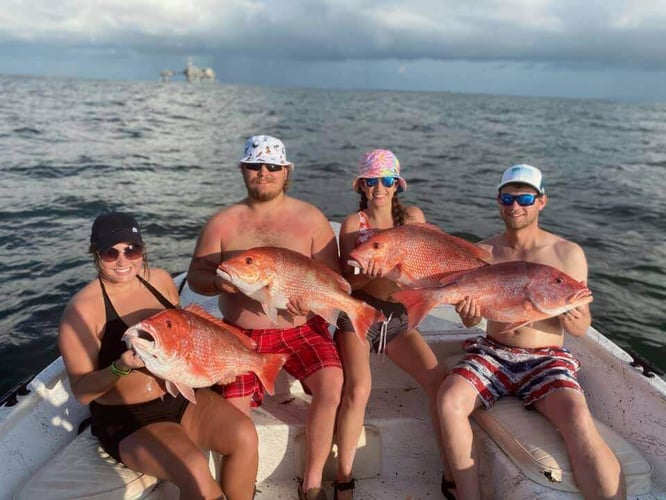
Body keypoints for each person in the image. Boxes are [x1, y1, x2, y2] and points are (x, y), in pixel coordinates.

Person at [438, 164, 626, 499]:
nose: (515, 205)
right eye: (507, 197)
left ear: (542, 202)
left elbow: (582, 326)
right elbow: (471, 320)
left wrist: (574, 321)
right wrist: (467, 314)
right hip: (493, 350)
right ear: (498, 201)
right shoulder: (483, 252)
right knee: (450, 400)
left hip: (546, 358)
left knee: (577, 415)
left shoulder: (567, 254)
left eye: (525, 197)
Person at [58, 211, 258, 500]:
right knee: (194, 467)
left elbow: (187, 337)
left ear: (143, 249)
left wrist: (216, 366)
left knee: (244, 435)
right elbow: (82, 392)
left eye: (132, 249)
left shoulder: (162, 280)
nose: (123, 260)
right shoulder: (82, 311)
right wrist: (120, 367)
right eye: (110, 253)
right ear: (96, 254)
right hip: (131, 419)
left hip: (180, 396)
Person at [187, 135, 344, 500]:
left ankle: (313, 483)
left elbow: (331, 277)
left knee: (332, 383)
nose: (264, 172)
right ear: (243, 170)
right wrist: (218, 284)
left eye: (273, 166)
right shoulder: (223, 222)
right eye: (255, 165)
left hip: (301, 329)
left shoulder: (311, 218)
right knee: (232, 413)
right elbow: (195, 277)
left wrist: (312, 301)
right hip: (241, 335)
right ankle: (244, 489)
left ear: (286, 172)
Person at [334, 149, 446, 500]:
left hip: (399, 318)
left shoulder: (412, 218)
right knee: (358, 391)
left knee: (439, 382)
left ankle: (452, 468)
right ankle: (343, 478)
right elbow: (345, 287)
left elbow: (427, 268)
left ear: (397, 185)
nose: (378, 188)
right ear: (362, 186)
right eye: (371, 181)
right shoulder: (354, 225)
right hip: (358, 315)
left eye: (386, 180)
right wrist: (369, 278)